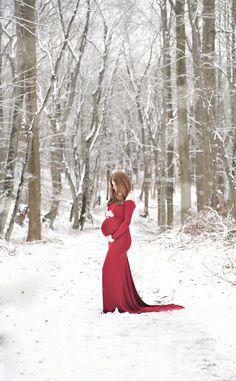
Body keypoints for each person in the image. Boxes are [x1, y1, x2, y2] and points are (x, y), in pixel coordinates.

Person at [101, 171, 184, 314]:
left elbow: (126, 222)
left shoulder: (129, 199)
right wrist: (106, 214)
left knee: (107, 269)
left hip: (121, 239)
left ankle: (111, 306)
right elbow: (112, 213)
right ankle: (119, 304)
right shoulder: (116, 197)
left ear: (122, 184)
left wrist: (114, 236)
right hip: (112, 239)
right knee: (119, 272)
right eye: (112, 185)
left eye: (115, 185)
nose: (113, 188)